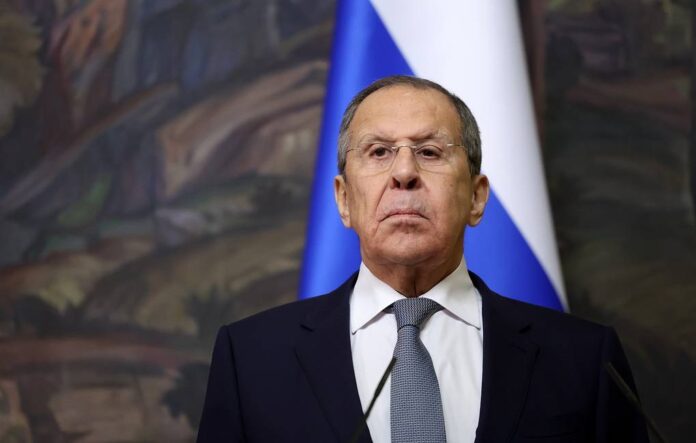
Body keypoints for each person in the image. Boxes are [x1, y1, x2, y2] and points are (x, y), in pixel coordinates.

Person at [197, 76, 649, 442]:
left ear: (476, 198)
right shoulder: (251, 359)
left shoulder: (585, 360)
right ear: (343, 200)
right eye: (379, 152)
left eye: (430, 152)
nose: (404, 172)